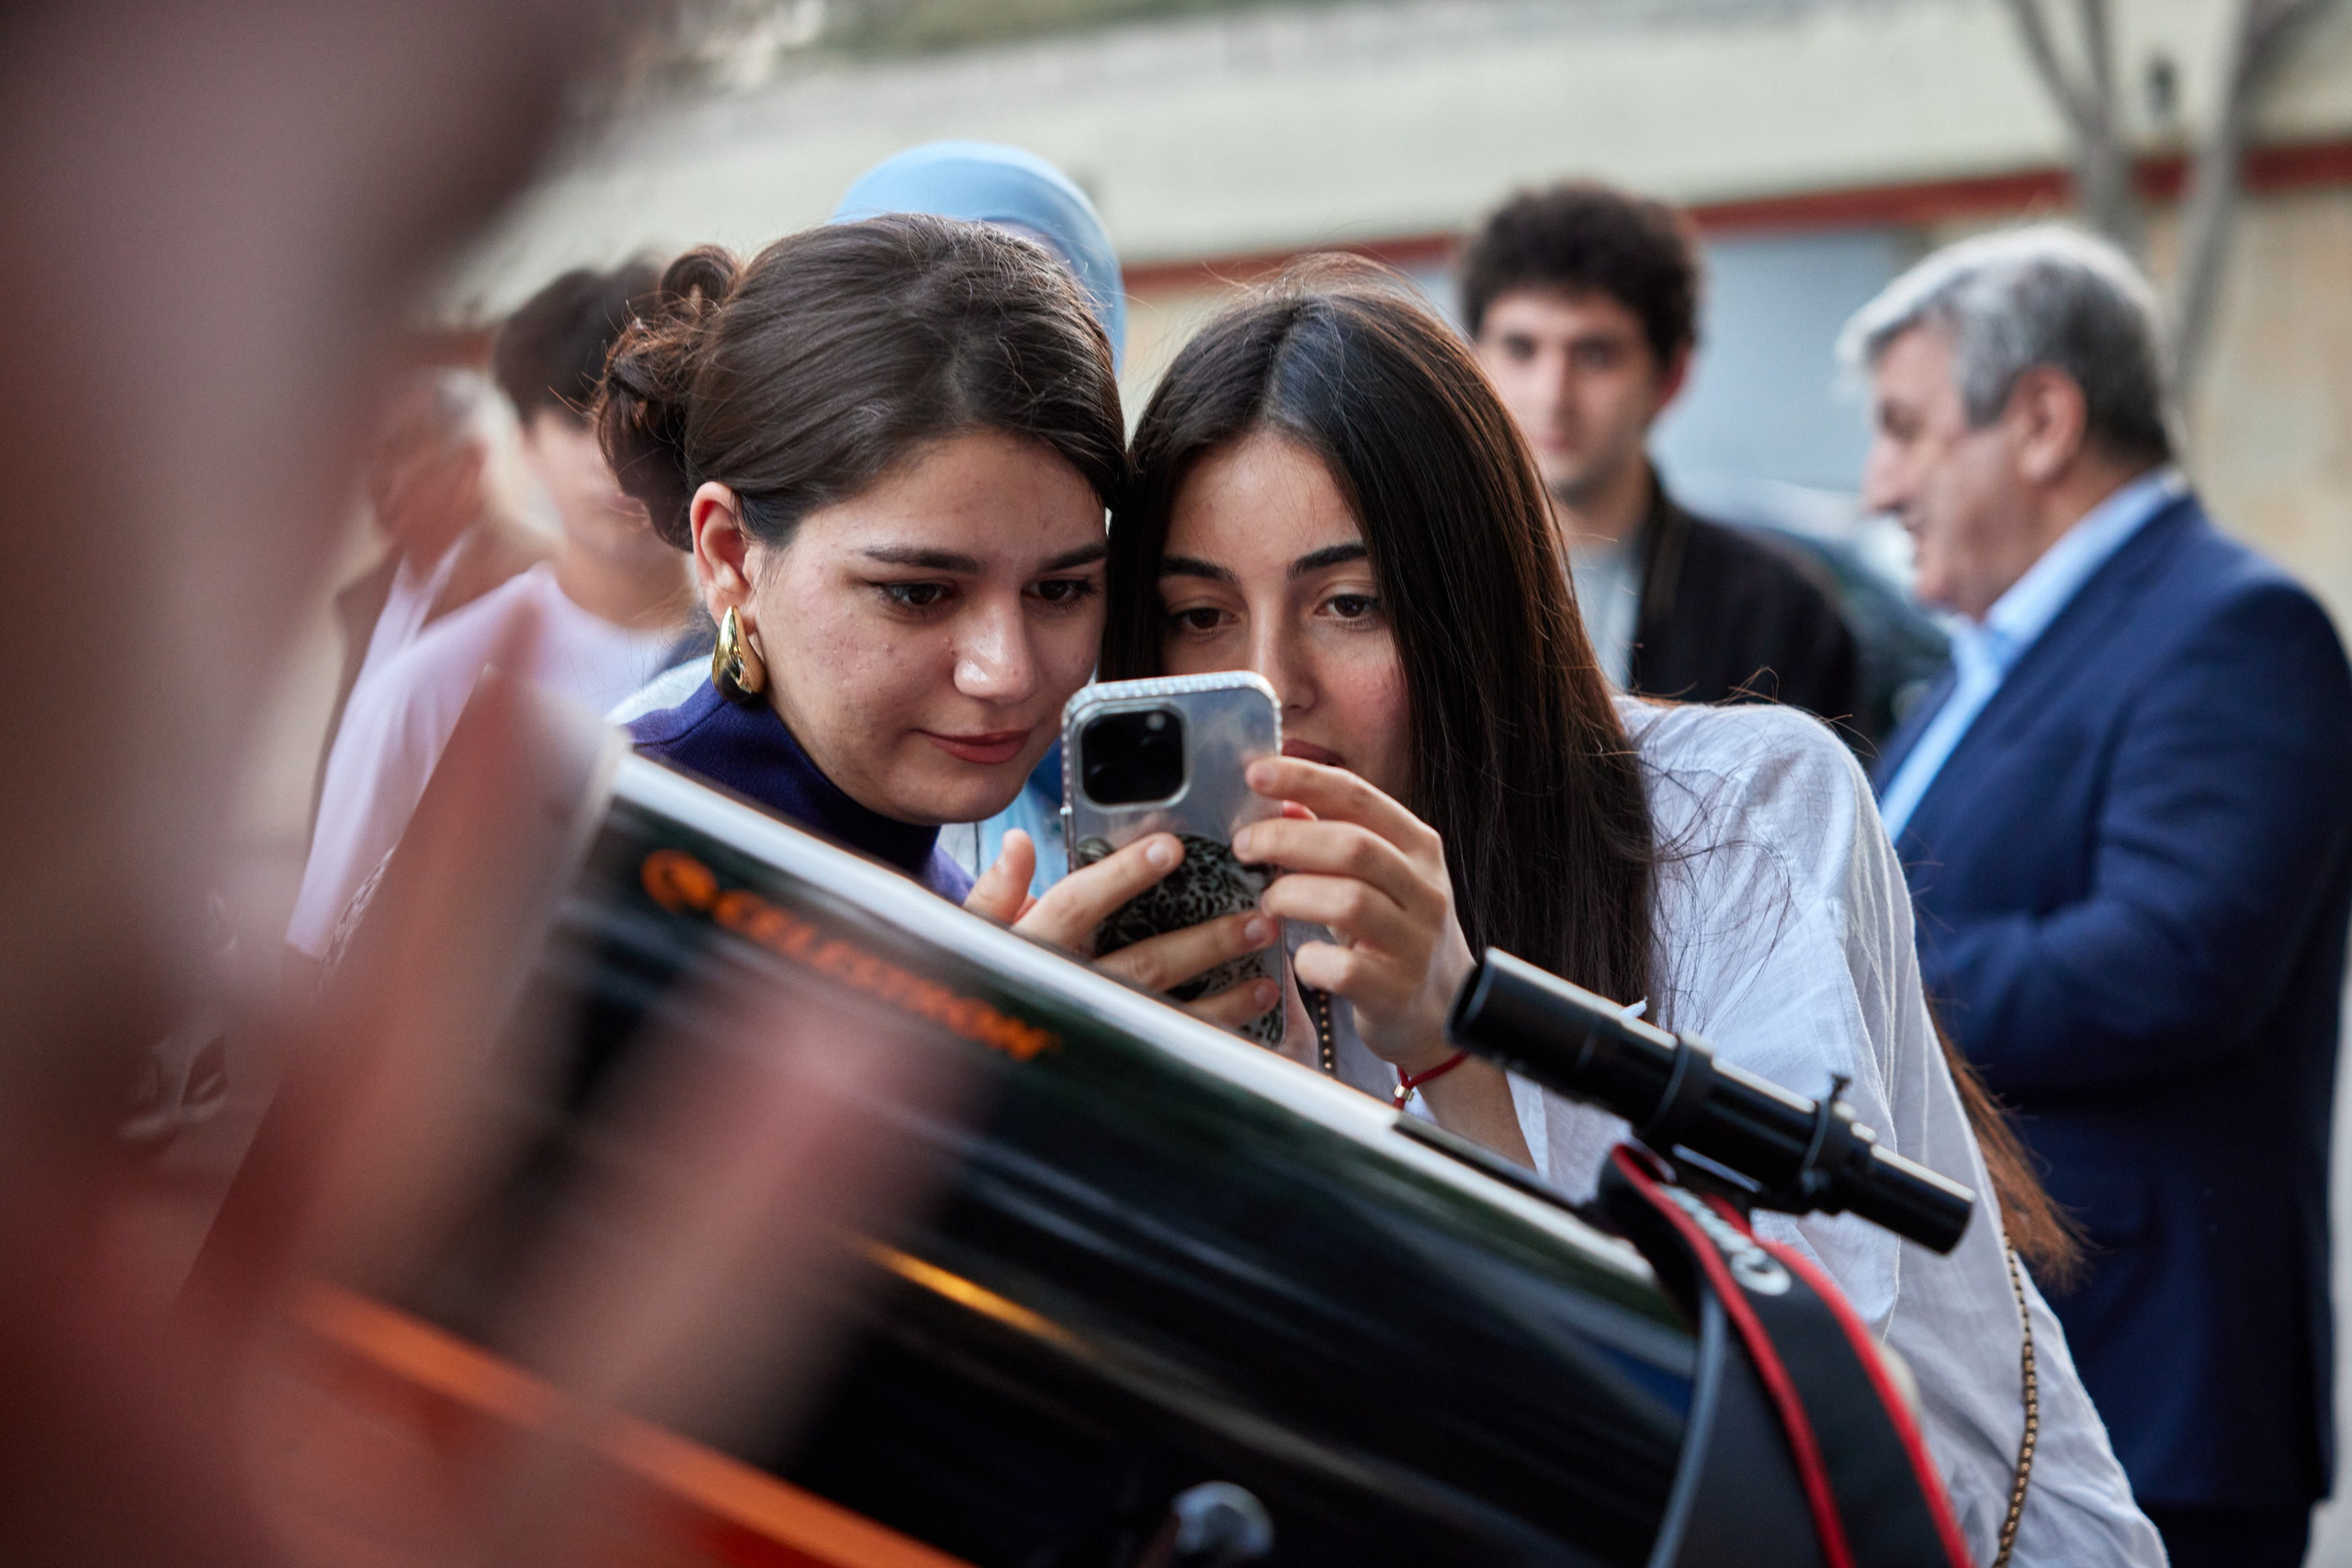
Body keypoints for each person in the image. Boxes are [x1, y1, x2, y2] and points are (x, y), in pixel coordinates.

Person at [1004, 263, 2162, 1566]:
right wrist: (1049, 1071)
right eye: (1198, 614)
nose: (1273, 685)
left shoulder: (1745, 804)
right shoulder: (1202, 918)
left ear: (1470, 600)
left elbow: (1790, 1361)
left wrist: (1455, 1043)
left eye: (1350, 603)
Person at [1849, 225, 2352, 1568]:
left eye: (1904, 428)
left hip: (2152, 1397)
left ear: (2043, 418)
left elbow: (2169, 958)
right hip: (1995, 1380)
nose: (1875, 482)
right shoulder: (1989, 653)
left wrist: (1844, 985)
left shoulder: (2233, 626)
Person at [601, 217, 1279, 1032]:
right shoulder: (585, 862)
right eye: (919, 594)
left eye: (1061, 590)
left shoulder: (977, 922)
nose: (1009, 673)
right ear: (731, 557)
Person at [288, 265, 697, 962]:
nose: (616, 451)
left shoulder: (771, 665)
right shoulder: (430, 689)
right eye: (576, 415)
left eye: (650, 412)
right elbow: (315, 958)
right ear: (524, 447)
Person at [1462, 182, 1861, 728]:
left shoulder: (1773, 611)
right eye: (1521, 349)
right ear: (1471, 363)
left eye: (1596, 355)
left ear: (1670, 376)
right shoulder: (1414, 584)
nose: (1553, 395)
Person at [311, 367, 550, 835]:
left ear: (470, 464)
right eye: (372, 457)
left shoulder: (534, 580)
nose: (378, 480)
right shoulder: (365, 597)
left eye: (400, 452)